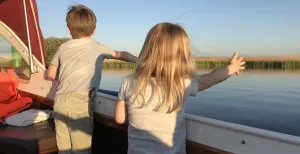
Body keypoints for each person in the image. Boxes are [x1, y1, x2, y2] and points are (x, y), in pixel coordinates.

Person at [114, 22, 245, 154]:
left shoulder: (128, 82)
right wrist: (232, 68)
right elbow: (211, 78)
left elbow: (119, 119)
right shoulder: (181, 84)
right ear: (182, 56)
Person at [47, 4, 137, 154]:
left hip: (60, 102)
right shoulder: (98, 47)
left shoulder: (63, 47)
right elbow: (120, 54)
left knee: (64, 149)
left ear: (68, 29)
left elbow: (50, 73)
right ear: (94, 30)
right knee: (81, 149)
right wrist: (140, 60)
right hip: (80, 105)